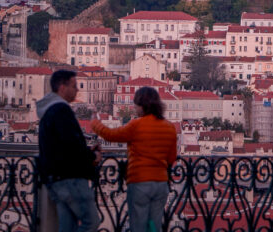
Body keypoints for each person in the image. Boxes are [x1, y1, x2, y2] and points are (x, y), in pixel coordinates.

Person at [92, 87, 178, 232]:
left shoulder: (136, 125)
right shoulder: (169, 127)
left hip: (140, 181)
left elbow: (111, 135)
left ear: (141, 106)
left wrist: (95, 123)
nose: (134, 108)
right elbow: (171, 157)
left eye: (135, 105)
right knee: (154, 226)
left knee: (138, 226)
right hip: (161, 183)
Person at [37, 70, 101, 232]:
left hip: (55, 178)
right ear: (62, 87)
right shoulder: (61, 110)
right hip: (70, 178)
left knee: (67, 227)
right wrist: (93, 156)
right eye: (74, 86)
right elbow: (71, 145)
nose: (77, 90)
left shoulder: (48, 111)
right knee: (91, 222)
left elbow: (63, 143)